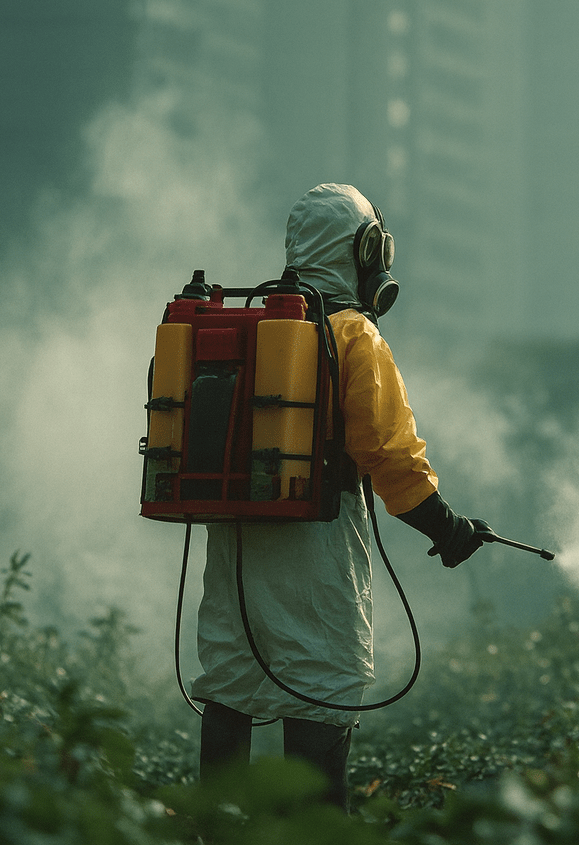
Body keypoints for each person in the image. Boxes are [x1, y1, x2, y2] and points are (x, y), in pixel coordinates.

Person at [190, 183, 491, 811]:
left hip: (239, 546)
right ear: (364, 251)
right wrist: (449, 529)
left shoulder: (247, 325)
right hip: (318, 549)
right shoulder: (354, 335)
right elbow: (391, 457)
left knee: (230, 685)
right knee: (323, 688)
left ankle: (212, 831)